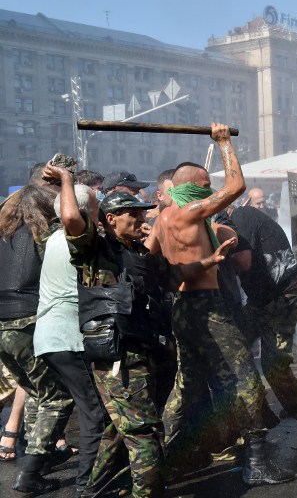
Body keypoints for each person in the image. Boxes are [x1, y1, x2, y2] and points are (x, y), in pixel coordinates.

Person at [147, 122, 294, 487]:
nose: (209, 191)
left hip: (182, 308)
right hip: (208, 309)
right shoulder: (187, 212)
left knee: (186, 385)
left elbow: (151, 263)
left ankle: (151, 460)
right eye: (203, 186)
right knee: (246, 380)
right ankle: (257, 461)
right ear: (187, 189)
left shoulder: (160, 222)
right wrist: (224, 143)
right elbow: (235, 186)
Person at [48, 157, 167, 496]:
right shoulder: (95, 249)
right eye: (134, 214)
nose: (142, 218)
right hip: (118, 356)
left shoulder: (139, 253)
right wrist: (67, 180)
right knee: (144, 435)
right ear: (111, 219)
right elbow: (71, 217)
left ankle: (92, 490)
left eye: (144, 213)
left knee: (120, 430)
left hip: (143, 350)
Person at [0, 184, 75, 494]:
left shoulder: (3, 236)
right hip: (28, 322)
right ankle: (30, 472)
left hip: (2, 326)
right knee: (58, 396)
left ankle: (39, 457)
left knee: (35, 390)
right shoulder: (44, 237)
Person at [229, 202, 297, 444]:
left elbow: (243, 261)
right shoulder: (237, 219)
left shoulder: (240, 216)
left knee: (274, 365)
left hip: (284, 296)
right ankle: (263, 411)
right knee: (233, 347)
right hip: (262, 299)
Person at [34, 184, 108, 493]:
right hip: (68, 335)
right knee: (95, 410)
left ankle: (32, 473)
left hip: (49, 335)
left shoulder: (52, 238)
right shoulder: (77, 240)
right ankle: (87, 485)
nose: (98, 210)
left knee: (83, 405)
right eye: (94, 205)